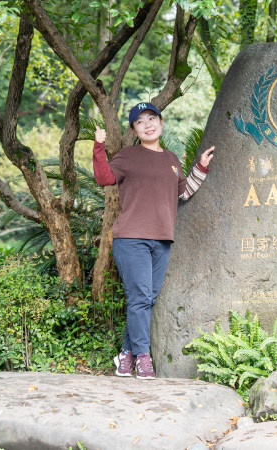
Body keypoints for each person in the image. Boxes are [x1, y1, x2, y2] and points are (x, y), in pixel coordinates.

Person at [92, 102, 215, 379]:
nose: (147, 124)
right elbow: (104, 178)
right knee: (139, 299)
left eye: (152, 119)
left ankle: (126, 353)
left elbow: (183, 193)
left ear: (161, 123)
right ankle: (142, 358)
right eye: (140, 122)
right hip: (131, 238)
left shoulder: (171, 159)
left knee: (146, 299)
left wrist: (201, 168)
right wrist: (98, 146)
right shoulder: (128, 156)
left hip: (161, 239)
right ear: (135, 130)